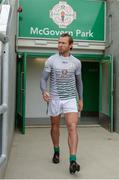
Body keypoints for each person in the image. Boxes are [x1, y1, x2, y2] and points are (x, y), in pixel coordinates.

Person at [40, 33, 83, 174]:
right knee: (55, 126)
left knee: (72, 126)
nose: (60, 45)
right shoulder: (51, 60)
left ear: (70, 45)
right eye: (59, 42)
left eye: (63, 43)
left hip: (70, 98)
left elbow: (79, 82)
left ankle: (73, 160)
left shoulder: (76, 62)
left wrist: (80, 98)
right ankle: (56, 151)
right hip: (55, 98)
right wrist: (44, 91)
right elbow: (43, 79)